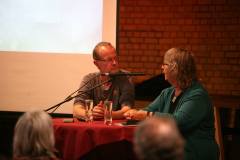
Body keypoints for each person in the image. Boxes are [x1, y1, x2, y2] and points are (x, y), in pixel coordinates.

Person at [124, 48, 219, 160]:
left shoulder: (197, 95)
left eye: (165, 64)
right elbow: (149, 109)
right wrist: (134, 113)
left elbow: (179, 122)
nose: (162, 67)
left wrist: (147, 115)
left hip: (194, 153)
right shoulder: (167, 92)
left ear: (175, 68)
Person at [73, 42, 134, 120]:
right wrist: (91, 113)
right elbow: (76, 109)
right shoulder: (89, 79)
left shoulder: (125, 77)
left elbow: (127, 109)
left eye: (115, 58)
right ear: (96, 63)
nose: (114, 63)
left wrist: (107, 114)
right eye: (109, 60)